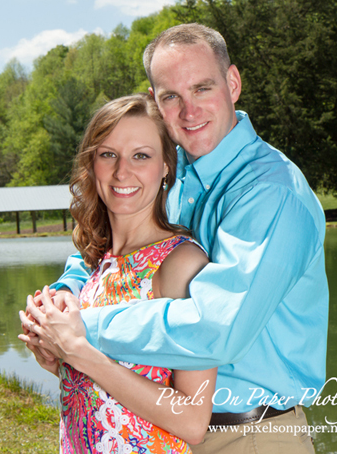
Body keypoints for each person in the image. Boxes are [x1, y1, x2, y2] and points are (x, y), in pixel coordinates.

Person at [23, 23, 328, 454]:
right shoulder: (167, 170)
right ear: (155, 102)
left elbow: (217, 329)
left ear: (233, 83)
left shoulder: (273, 193)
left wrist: (79, 331)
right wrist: (57, 301)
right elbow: (110, 253)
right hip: (157, 428)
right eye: (171, 96)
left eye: (202, 88)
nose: (189, 110)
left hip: (249, 435)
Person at [20, 93, 218, 453]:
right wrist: (56, 356)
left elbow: (192, 420)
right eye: (108, 154)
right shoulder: (98, 265)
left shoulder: (181, 265)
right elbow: (105, 387)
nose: (122, 171)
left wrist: (78, 352)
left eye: (141, 156)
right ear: (91, 164)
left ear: (166, 168)